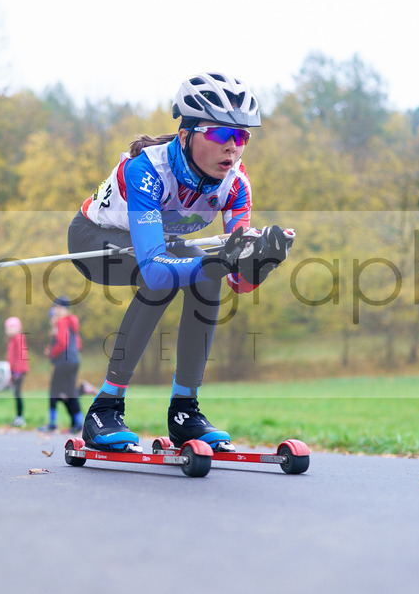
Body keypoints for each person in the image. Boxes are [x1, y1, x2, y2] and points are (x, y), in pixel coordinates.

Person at [66, 72, 293, 452]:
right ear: (186, 135)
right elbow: (155, 271)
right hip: (92, 240)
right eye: (222, 134)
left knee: (204, 271)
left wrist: (261, 263)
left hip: (161, 248)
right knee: (184, 265)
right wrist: (222, 262)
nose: (233, 148)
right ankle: (104, 408)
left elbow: (238, 282)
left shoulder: (236, 185)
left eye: (242, 137)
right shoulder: (147, 170)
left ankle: (185, 411)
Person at [41, 297, 83, 433]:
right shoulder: (72, 322)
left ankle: (52, 424)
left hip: (63, 361)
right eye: (55, 307)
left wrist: (52, 353)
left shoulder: (62, 322)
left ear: (65, 309)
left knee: (54, 391)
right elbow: (78, 344)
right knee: (70, 392)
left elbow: (62, 342)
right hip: (74, 360)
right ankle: (78, 423)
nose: (55, 310)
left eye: (58, 307)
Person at [5, 316, 29, 427]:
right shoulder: (12, 339)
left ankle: (20, 418)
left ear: (17, 328)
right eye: (7, 328)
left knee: (18, 394)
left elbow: (21, 355)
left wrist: (17, 372)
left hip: (18, 371)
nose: (7, 330)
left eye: (10, 328)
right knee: (16, 394)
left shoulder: (18, 338)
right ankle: (18, 417)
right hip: (14, 371)